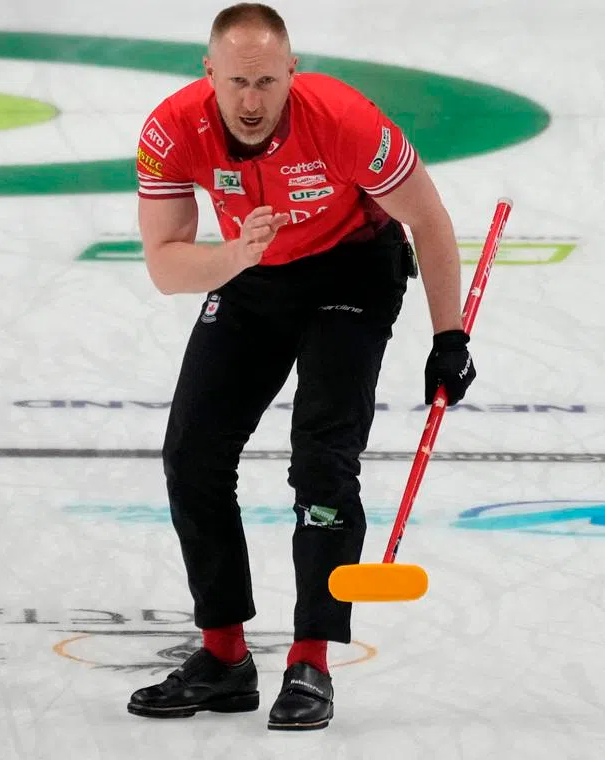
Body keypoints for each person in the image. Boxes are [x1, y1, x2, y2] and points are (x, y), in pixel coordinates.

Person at [125, 2, 476, 731]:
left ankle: (310, 659)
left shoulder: (346, 122)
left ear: (292, 73)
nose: (251, 102)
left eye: (266, 82)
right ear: (208, 76)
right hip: (248, 270)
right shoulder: (168, 131)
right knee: (192, 454)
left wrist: (449, 338)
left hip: (351, 273)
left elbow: (429, 219)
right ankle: (223, 657)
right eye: (236, 83)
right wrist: (234, 258)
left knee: (322, 454)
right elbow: (165, 266)